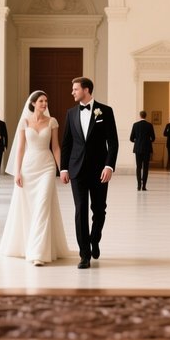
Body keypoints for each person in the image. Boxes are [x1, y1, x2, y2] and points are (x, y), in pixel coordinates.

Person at [0, 91, 70, 266]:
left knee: (43, 205)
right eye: (41, 101)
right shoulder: (25, 122)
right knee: (30, 208)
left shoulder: (52, 122)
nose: (45, 104)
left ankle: (38, 254)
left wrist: (62, 169)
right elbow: (20, 148)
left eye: (46, 101)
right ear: (33, 103)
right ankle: (29, 245)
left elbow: (56, 147)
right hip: (28, 168)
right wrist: (17, 172)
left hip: (47, 167)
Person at [60, 77, 119, 269]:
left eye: (75, 89)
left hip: (99, 170)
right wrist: (64, 168)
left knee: (99, 209)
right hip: (77, 170)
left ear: (86, 90)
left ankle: (95, 239)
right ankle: (84, 254)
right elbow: (66, 143)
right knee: (80, 210)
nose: (72, 92)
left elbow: (113, 142)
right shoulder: (70, 113)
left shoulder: (106, 111)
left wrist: (109, 166)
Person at [130, 110, 155, 190]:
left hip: (138, 149)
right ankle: (144, 186)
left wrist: (136, 141)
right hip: (147, 149)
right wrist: (148, 141)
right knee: (145, 167)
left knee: (138, 167)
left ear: (140, 116)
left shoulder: (135, 125)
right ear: (145, 116)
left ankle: (138, 186)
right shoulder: (149, 125)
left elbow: (131, 138)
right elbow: (153, 138)